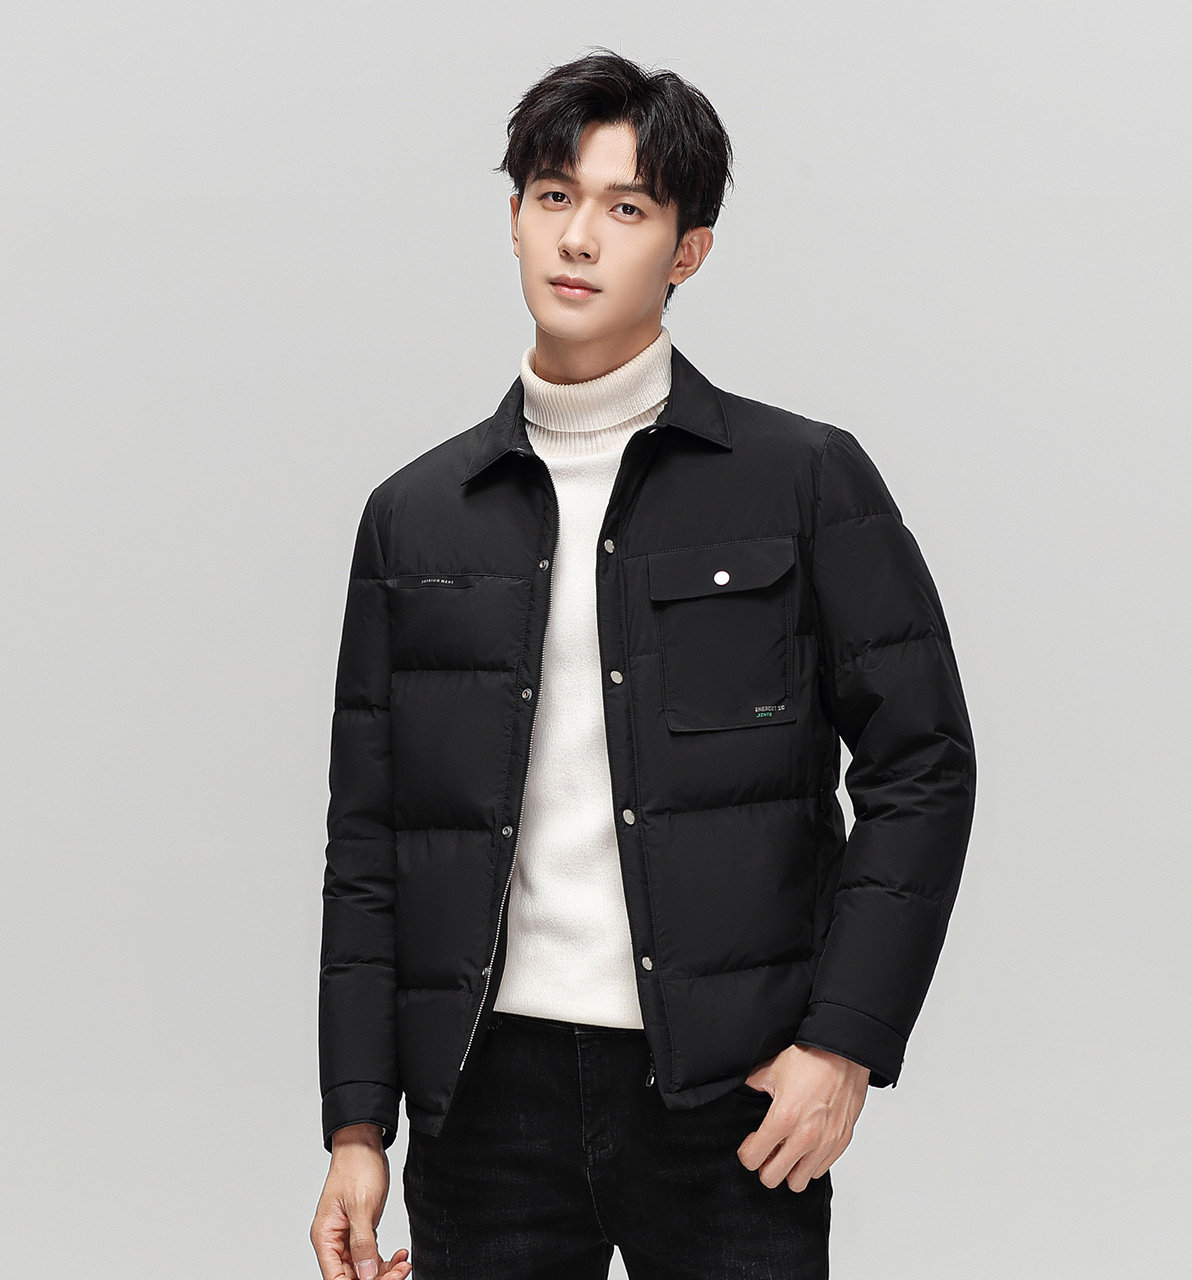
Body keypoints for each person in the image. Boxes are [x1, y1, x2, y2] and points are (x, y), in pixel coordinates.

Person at [310, 48, 976, 1280]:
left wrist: (842, 1042)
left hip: (726, 1098)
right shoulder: (415, 516)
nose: (578, 236)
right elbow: (370, 839)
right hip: (481, 1101)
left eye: (626, 207)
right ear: (513, 217)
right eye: (552, 196)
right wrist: (357, 1125)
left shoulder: (801, 478)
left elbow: (922, 763)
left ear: (687, 250)